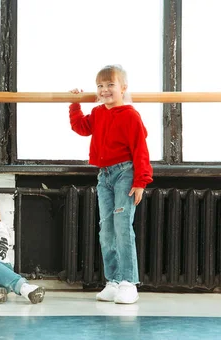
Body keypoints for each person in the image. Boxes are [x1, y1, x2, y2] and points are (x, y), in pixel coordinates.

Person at [69, 64, 153, 304]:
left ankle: (128, 281)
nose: (105, 90)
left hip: (125, 173)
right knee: (106, 229)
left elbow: (140, 150)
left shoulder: (130, 115)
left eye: (110, 85)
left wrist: (141, 181)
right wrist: (74, 104)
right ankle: (113, 281)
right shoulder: (97, 113)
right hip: (104, 176)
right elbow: (81, 127)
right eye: (100, 86)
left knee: (122, 225)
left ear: (123, 88)